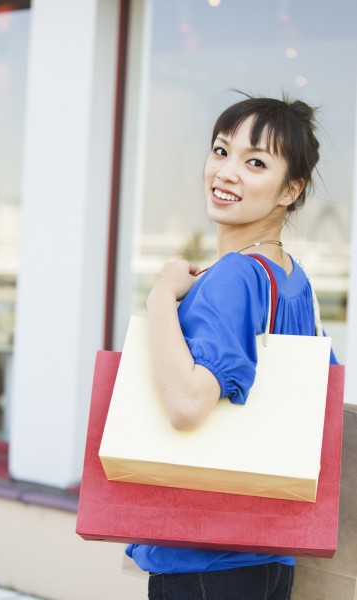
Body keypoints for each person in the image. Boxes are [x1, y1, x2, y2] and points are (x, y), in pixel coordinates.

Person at [126, 94, 338, 600]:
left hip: (205, 560)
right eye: (221, 151)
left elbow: (187, 405)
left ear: (291, 189)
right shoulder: (292, 280)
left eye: (255, 162)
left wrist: (160, 296)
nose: (226, 172)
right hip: (268, 554)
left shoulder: (234, 276)